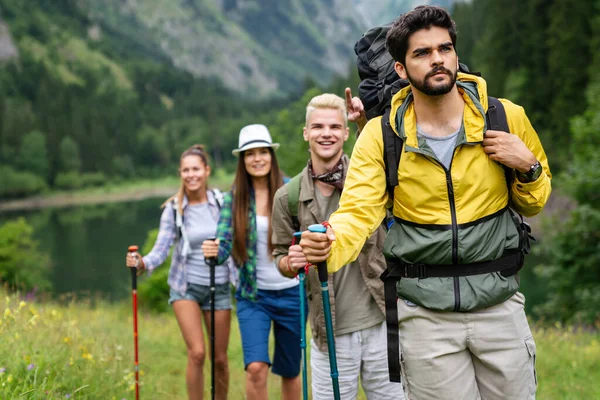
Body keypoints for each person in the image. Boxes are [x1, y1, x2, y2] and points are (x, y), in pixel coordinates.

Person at [300, 6, 552, 400]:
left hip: (500, 307)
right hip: (425, 316)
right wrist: (328, 242)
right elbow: (357, 212)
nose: (437, 59)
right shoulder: (380, 137)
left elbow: (534, 203)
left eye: (444, 48)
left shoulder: (504, 117)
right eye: (422, 53)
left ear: (455, 54)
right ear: (400, 69)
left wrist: (529, 166)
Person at [271, 93, 404, 400]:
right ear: (306, 133)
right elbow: (278, 256)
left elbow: (388, 155)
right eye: (317, 126)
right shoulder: (287, 198)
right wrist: (289, 263)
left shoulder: (372, 180)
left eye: (334, 126)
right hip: (328, 332)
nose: (326, 133)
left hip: (383, 324)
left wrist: (364, 123)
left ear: (346, 132)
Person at [201, 124, 304, 400]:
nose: (257, 159)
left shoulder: (291, 190)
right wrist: (214, 250)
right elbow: (223, 244)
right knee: (256, 368)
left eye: (263, 152)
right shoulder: (233, 199)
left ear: (272, 155)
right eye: (250, 154)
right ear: (242, 160)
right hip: (253, 296)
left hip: (293, 294)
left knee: (291, 371)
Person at [126, 144, 234, 400]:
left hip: (219, 286)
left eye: (196, 169)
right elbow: (161, 249)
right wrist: (142, 263)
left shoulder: (221, 202)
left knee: (219, 358)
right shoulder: (174, 209)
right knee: (197, 353)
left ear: (207, 171)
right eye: (185, 170)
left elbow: (235, 242)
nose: (191, 175)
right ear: (180, 173)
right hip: (185, 286)